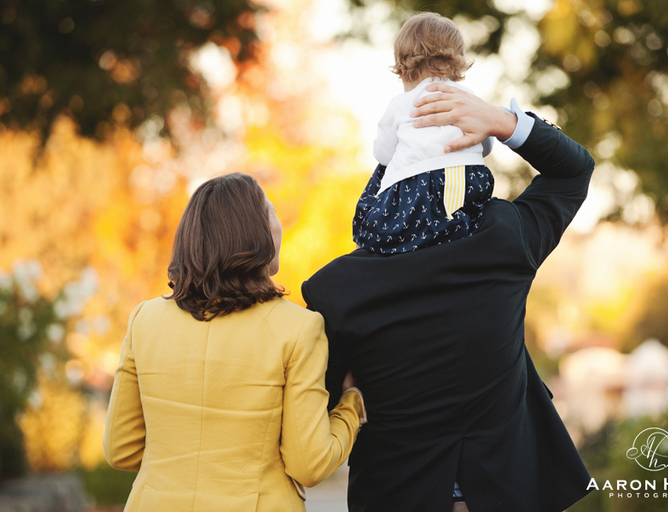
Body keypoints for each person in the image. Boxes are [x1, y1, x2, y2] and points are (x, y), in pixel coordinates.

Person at [302, 84, 594, 512]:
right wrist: (501, 122)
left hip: (396, 495)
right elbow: (573, 170)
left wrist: (350, 395)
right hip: (507, 492)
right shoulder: (505, 239)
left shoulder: (337, 289)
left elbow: (317, 413)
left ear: (382, 196)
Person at [103, 173, 366, 512]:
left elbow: (121, 448)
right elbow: (309, 464)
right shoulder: (299, 328)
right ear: (255, 233)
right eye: (271, 212)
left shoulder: (145, 320)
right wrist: (351, 405)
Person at [354, 12, 495, 254]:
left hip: (416, 184)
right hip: (468, 177)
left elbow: (384, 154)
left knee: (382, 223)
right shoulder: (468, 96)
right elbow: (486, 142)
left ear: (403, 67)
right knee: (455, 223)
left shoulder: (401, 103)